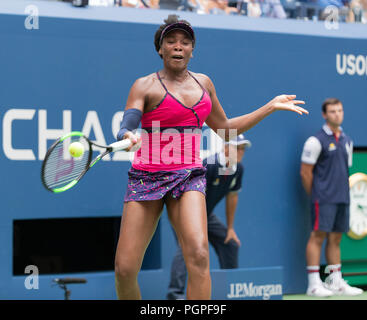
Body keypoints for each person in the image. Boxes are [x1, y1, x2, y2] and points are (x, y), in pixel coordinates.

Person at [114, 14, 308, 300]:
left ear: (193, 49)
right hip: (147, 177)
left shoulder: (204, 84)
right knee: (125, 269)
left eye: (185, 42)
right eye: (171, 41)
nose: (178, 46)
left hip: (189, 176)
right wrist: (126, 135)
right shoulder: (144, 85)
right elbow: (128, 122)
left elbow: (226, 129)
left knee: (200, 254)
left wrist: (269, 107)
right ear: (160, 48)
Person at [166, 134, 251, 300]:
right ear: (225, 148)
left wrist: (231, 228)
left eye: (243, 148)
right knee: (188, 247)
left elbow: (232, 196)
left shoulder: (238, 169)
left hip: (205, 214)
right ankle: (174, 295)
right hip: (184, 212)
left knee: (230, 243)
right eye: (236, 147)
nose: (240, 152)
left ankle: (231, 291)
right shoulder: (208, 165)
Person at [300, 98, 363, 297]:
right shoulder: (315, 141)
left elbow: (346, 169)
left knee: (336, 238)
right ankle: (313, 284)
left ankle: (335, 282)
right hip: (323, 198)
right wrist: (316, 194)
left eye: (340, 110)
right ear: (324, 115)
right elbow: (305, 172)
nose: (337, 114)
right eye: (333, 111)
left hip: (343, 197)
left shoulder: (347, 140)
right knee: (317, 237)